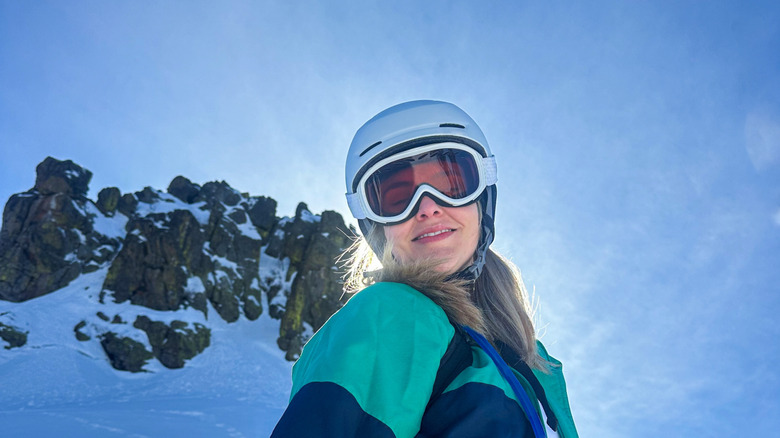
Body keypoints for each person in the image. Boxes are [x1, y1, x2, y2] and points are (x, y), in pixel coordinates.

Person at [271, 100, 578, 437]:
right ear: (377, 227)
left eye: (451, 183)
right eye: (396, 198)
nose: (428, 206)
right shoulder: (385, 316)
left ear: (482, 202)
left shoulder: (520, 355)